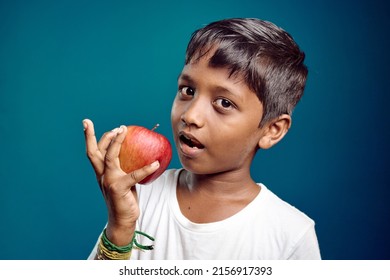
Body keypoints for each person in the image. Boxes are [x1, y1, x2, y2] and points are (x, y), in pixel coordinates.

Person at [83, 18, 321, 260]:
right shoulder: (138, 196)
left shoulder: (291, 235)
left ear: (273, 130)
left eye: (224, 103)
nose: (191, 115)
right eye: (188, 91)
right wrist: (121, 228)